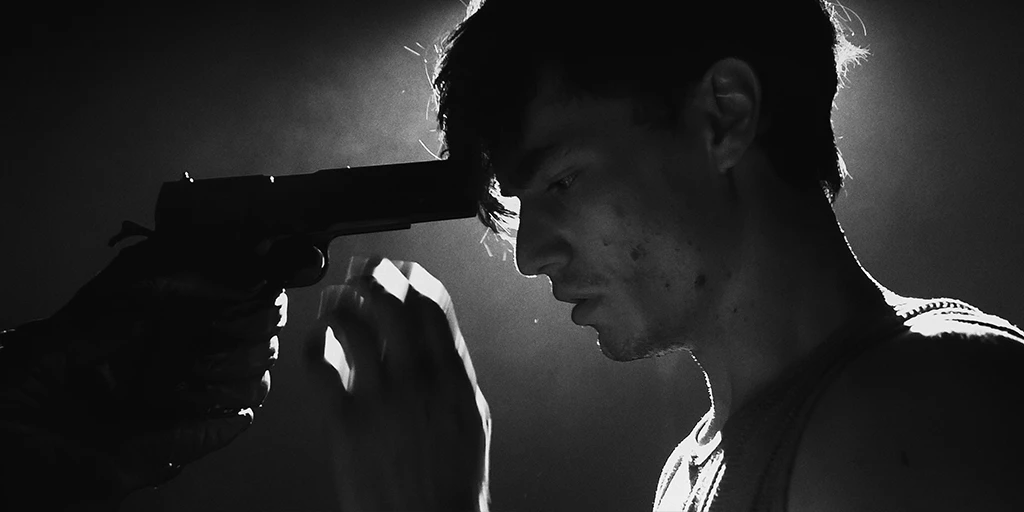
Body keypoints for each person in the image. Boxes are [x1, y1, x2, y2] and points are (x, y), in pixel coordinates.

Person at [2, 1, 1022, 512]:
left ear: (723, 115)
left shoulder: (911, 416)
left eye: (562, 180)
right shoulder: (703, 459)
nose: (529, 250)